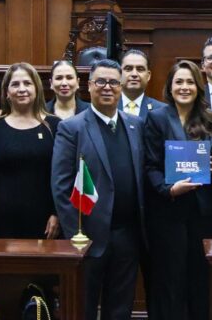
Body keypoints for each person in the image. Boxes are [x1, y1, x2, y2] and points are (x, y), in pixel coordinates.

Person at [52, 59, 146, 320]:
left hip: (128, 235)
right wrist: (76, 234)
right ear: (89, 86)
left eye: (114, 82)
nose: (107, 87)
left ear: (122, 86)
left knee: (120, 310)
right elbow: (61, 185)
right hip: (89, 238)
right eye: (100, 81)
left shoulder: (136, 125)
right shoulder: (72, 128)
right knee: (83, 307)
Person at [144, 60, 212, 320]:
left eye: (190, 82)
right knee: (170, 279)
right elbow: (150, 166)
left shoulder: (211, 119)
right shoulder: (156, 118)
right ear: (170, 86)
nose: (184, 87)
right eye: (179, 82)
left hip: (202, 214)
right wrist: (169, 190)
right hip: (169, 212)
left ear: (199, 87)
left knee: (200, 279)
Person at [0, 63, 60, 239]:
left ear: (37, 88)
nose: (22, 89)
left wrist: (56, 213)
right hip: (1, 219)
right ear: (6, 92)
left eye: (27, 83)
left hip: (45, 221)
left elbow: (62, 176)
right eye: (15, 84)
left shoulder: (54, 126)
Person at [119, 49, 168, 121]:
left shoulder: (163, 111)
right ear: (119, 74)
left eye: (140, 69)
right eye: (128, 69)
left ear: (148, 76)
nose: (134, 74)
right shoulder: (107, 107)